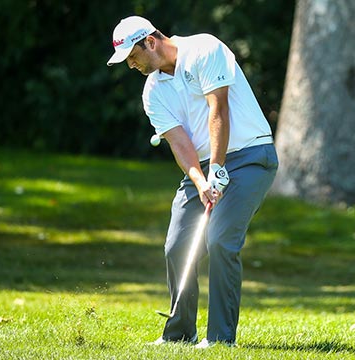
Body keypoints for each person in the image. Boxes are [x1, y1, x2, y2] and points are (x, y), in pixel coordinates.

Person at [106, 16, 278, 348]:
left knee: (220, 241)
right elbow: (180, 144)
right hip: (200, 167)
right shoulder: (153, 92)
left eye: (133, 56)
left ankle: (220, 339)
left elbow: (219, 111)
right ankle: (180, 333)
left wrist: (218, 167)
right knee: (177, 246)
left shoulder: (203, 49)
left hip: (251, 156)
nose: (131, 65)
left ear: (151, 42)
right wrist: (201, 181)